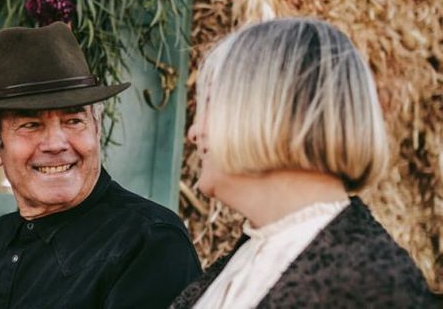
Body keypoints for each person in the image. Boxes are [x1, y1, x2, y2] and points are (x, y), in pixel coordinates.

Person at [170, 17, 436, 308]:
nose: (194, 133)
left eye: (209, 103)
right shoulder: (253, 255)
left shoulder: (374, 287)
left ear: (270, 110)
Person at [0, 21, 201, 309]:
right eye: (31, 124)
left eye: (73, 121)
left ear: (96, 127)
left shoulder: (149, 242)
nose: (56, 143)